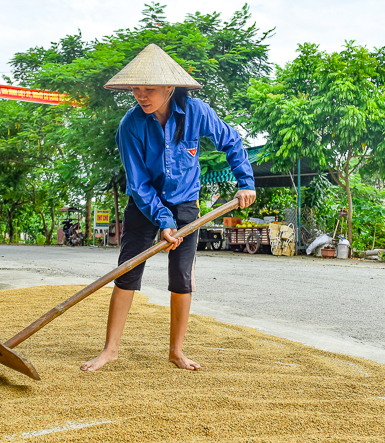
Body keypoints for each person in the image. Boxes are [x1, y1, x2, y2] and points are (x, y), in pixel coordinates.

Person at [81, 44, 256, 372]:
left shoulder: (196, 112)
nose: (141, 96)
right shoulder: (129, 126)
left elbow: (231, 141)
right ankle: (110, 350)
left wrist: (245, 182)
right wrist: (162, 219)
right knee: (127, 270)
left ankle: (176, 351)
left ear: (169, 87)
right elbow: (139, 183)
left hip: (186, 203)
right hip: (144, 205)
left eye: (149, 89)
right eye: (135, 88)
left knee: (181, 275)